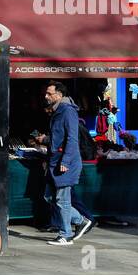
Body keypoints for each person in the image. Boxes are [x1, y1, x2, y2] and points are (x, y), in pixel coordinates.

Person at [44, 81, 93, 246]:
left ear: (59, 95)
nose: (46, 96)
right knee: (49, 196)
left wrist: (65, 161)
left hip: (66, 163)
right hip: (55, 161)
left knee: (62, 199)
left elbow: (72, 138)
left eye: (49, 93)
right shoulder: (58, 111)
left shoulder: (68, 111)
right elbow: (59, 138)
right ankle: (80, 220)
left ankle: (66, 234)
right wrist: (45, 140)